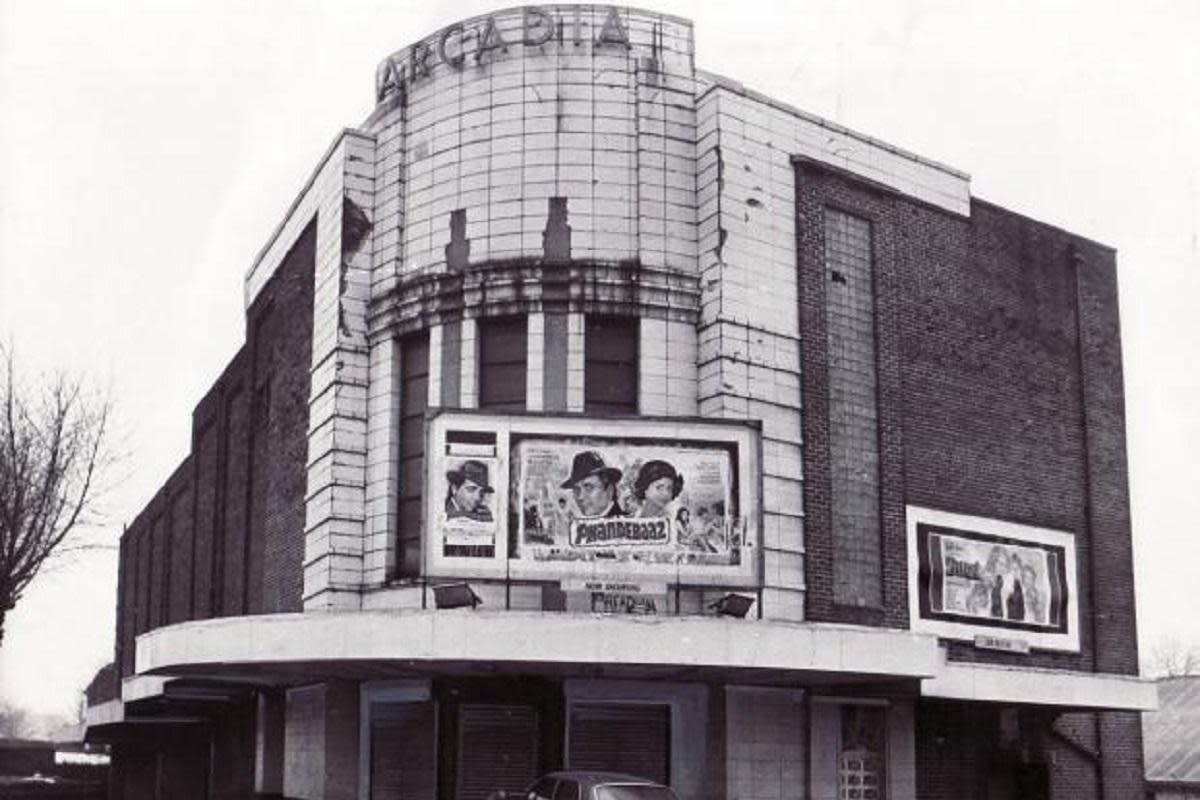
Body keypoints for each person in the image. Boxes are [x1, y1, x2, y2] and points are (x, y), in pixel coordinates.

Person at [559, 450, 626, 518]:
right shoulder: (578, 525)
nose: (580, 497)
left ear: (609, 490)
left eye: (588, 487)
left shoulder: (628, 523)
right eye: (576, 489)